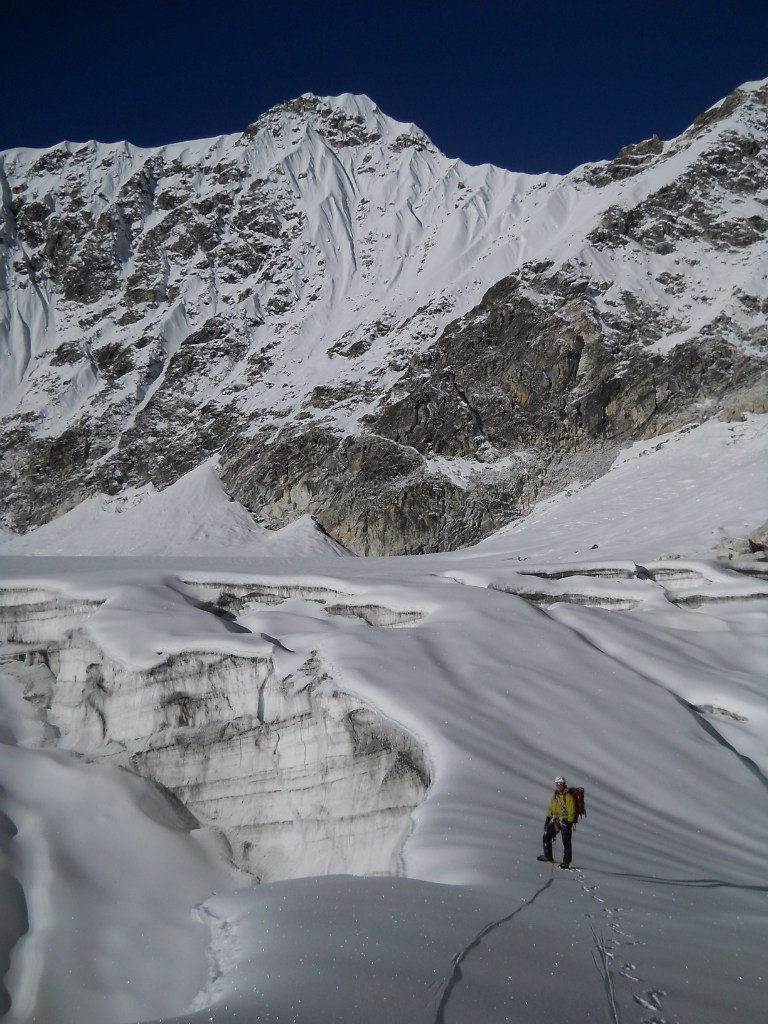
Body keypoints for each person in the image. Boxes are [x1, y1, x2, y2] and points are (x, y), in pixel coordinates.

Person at [537, 775, 576, 869]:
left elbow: (572, 811)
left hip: (566, 821)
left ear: (564, 784)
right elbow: (551, 809)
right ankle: (548, 856)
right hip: (557, 820)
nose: (558, 785)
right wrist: (547, 821)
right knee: (546, 836)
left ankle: (566, 862)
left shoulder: (568, 796)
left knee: (566, 841)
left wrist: (568, 823)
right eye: (557, 784)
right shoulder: (555, 796)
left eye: (560, 784)